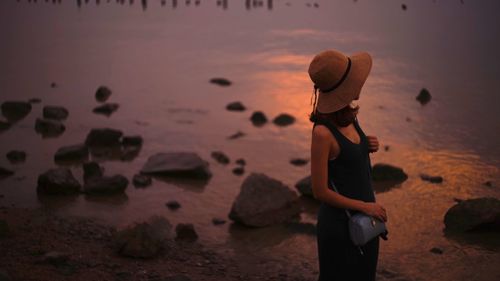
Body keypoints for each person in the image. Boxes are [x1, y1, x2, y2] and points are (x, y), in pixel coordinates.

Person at [308, 49, 388, 281]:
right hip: (340, 227)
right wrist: (365, 206)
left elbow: (349, 158)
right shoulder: (322, 133)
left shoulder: (350, 116)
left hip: (367, 221)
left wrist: (366, 145)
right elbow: (319, 191)